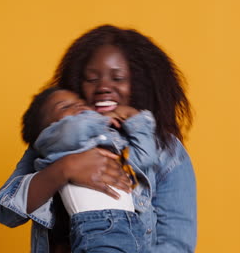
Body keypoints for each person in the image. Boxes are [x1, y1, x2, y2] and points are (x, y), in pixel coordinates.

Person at [0, 24, 197, 253]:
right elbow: (7, 214)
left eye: (118, 78)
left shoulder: (167, 151)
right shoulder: (51, 142)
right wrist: (65, 169)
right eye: (91, 79)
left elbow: (176, 245)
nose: (103, 87)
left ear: (139, 83)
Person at [22, 87, 157, 252]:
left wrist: (135, 118)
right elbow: (73, 130)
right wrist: (100, 119)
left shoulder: (111, 141)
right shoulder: (55, 140)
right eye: (64, 107)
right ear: (47, 129)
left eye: (81, 103)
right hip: (99, 226)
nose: (79, 107)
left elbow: (146, 157)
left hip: (133, 227)